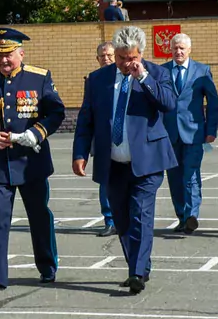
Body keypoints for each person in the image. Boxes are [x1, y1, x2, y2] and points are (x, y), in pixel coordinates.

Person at [73, 26, 176, 295]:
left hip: (147, 162)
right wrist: (80, 153)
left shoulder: (157, 74)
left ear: (140, 54)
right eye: (121, 58)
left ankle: (136, 273)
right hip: (113, 163)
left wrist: (143, 77)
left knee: (141, 215)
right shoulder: (98, 79)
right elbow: (86, 118)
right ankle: (139, 265)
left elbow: (168, 104)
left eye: (132, 58)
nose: (126, 63)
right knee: (122, 220)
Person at [0, 28, 65, 292]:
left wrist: (36, 133)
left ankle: (47, 267)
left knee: (38, 217)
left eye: (9, 54)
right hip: (1, 164)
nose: (4, 60)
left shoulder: (39, 78)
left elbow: (56, 112)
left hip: (32, 162)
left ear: (21, 53)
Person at [162, 34, 218, 234]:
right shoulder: (162, 71)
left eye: (182, 48)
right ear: (171, 50)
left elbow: (213, 102)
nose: (178, 52)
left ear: (189, 50)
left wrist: (211, 130)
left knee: (191, 175)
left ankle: (192, 214)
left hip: (194, 133)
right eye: (175, 48)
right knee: (174, 178)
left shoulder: (202, 71)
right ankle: (182, 217)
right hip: (169, 134)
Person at [93, 41, 117, 237]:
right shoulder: (94, 80)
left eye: (109, 55)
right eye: (103, 56)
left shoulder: (125, 76)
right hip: (102, 140)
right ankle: (109, 220)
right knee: (105, 182)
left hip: (124, 139)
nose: (106, 59)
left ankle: (125, 219)